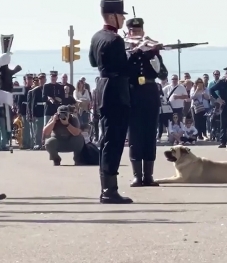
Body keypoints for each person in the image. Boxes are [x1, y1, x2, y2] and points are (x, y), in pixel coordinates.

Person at [89, 0, 132, 204]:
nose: (123, 18)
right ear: (113, 16)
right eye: (121, 15)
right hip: (116, 92)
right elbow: (126, 70)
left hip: (103, 90)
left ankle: (106, 187)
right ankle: (109, 191)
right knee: (114, 141)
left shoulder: (97, 36)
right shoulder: (116, 40)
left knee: (107, 140)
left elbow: (92, 61)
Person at [125, 16, 167, 187]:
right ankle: (137, 175)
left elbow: (163, 74)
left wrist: (153, 55)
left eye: (138, 31)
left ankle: (148, 175)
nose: (135, 33)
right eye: (132, 31)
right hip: (133, 95)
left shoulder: (152, 51)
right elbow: (123, 70)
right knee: (135, 137)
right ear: (128, 32)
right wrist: (135, 51)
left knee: (150, 136)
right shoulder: (125, 50)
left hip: (150, 96)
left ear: (143, 31)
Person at [16, 74, 33, 149]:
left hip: (31, 111)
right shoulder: (23, 89)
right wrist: (19, 111)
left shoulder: (33, 89)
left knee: (31, 128)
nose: (29, 81)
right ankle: (25, 144)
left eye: (30, 79)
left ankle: (30, 143)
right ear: (25, 80)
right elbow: (19, 101)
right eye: (28, 79)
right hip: (24, 111)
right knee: (25, 128)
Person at [29, 73, 46, 150]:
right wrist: (33, 114)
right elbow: (33, 103)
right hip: (38, 112)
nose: (41, 80)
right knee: (38, 130)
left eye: (43, 78)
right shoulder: (35, 90)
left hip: (46, 111)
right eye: (40, 79)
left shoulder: (47, 88)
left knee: (45, 129)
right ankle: (38, 144)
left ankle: (45, 143)